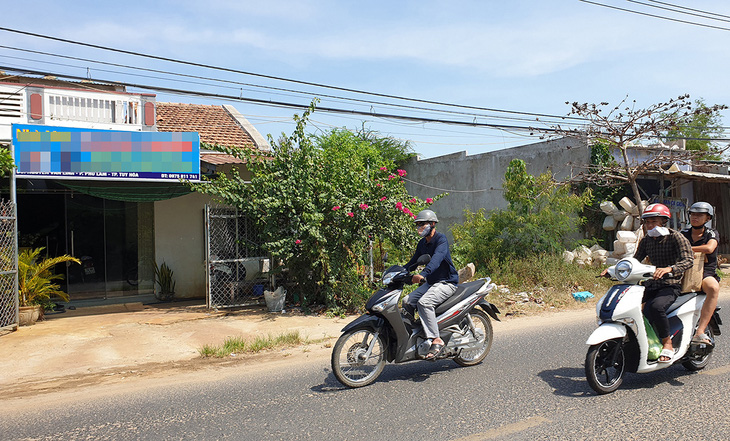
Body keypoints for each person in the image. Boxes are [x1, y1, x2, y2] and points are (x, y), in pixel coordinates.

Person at [603, 203, 693, 363]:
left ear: (663, 221)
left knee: (656, 307)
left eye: (654, 221)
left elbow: (688, 260)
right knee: (627, 306)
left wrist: (669, 269)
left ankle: (668, 344)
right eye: (647, 222)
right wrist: (613, 269)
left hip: (670, 284)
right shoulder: (646, 241)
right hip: (651, 283)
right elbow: (634, 260)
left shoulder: (675, 237)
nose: (650, 225)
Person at [403, 209, 459, 360]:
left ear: (433, 224)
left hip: (447, 282)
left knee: (424, 303)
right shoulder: (422, 244)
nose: (420, 227)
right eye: (418, 225)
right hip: (432, 283)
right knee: (406, 301)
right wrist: (398, 272)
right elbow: (413, 262)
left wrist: (423, 274)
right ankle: (415, 334)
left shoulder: (441, 240)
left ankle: (436, 339)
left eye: (423, 224)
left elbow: (437, 259)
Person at [681, 202, 720, 345]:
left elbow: (709, 248)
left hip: (705, 272)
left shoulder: (712, 233)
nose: (695, 217)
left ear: (707, 218)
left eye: (699, 215)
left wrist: (686, 248)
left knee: (713, 288)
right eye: (692, 214)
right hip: (683, 270)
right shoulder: (683, 233)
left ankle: (700, 331)